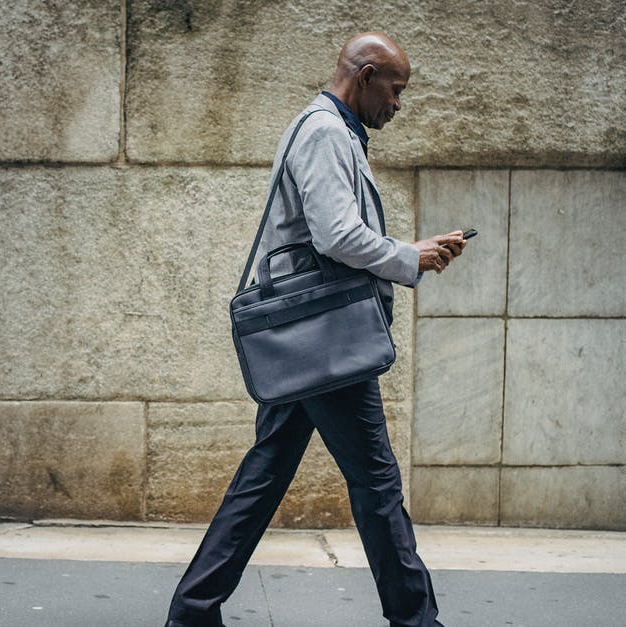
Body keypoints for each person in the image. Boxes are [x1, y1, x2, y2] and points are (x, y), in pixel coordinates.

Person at [165, 32, 466, 627]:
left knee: (264, 476)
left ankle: (193, 612)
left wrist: (413, 252)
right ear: (366, 74)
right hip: (326, 340)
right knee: (377, 485)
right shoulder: (327, 132)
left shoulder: (325, 126)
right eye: (396, 90)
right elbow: (336, 236)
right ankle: (417, 621)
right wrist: (411, 256)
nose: (398, 105)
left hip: (308, 340)